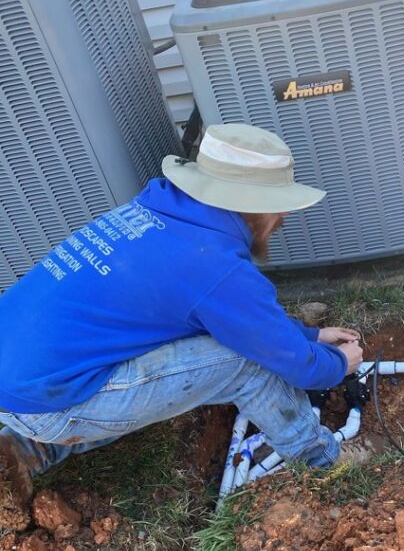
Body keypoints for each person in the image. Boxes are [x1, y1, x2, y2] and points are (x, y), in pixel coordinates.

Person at [0, 123, 365, 529]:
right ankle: (321, 461)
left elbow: (235, 318)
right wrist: (336, 362)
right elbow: (290, 364)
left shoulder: (158, 210)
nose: (283, 218)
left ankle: (21, 448)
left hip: (18, 374)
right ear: (255, 204)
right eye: (280, 206)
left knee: (210, 350)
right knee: (243, 364)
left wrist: (310, 336)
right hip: (49, 398)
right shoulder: (216, 267)